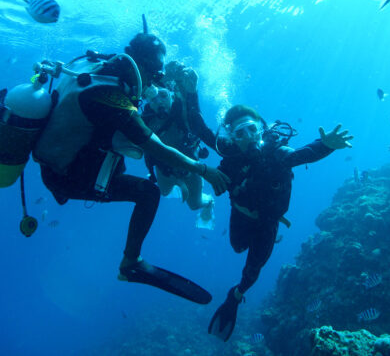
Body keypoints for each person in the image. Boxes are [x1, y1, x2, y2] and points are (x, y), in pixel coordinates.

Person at [31, 18, 229, 303]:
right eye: (153, 74)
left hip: (62, 164)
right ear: (143, 66)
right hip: (66, 174)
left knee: (142, 180)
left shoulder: (101, 70)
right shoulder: (111, 96)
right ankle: (131, 264)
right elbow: (152, 146)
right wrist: (203, 169)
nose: (152, 84)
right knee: (148, 193)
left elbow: (191, 124)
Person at [208, 105, 352, 340]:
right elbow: (218, 181)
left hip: (268, 222)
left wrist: (326, 145)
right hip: (242, 217)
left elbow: (303, 153)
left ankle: (234, 297)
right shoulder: (230, 162)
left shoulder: (277, 151)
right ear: (232, 138)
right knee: (237, 247)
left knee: (251, 273)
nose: (247, 137)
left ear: (261, 129)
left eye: (251, 129)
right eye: (239, 133)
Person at [142, 61, 217, 227]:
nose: (158, 102)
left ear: (170, 94)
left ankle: (209, 201)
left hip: (189, 170)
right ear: (147, 100)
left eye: (163, 95)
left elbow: (196, 118)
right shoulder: (146, 120)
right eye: (152, 98)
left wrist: (191, 91)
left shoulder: (182, 113)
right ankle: (178, 185)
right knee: (164, 191)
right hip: (164, 170)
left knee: (194, 205)